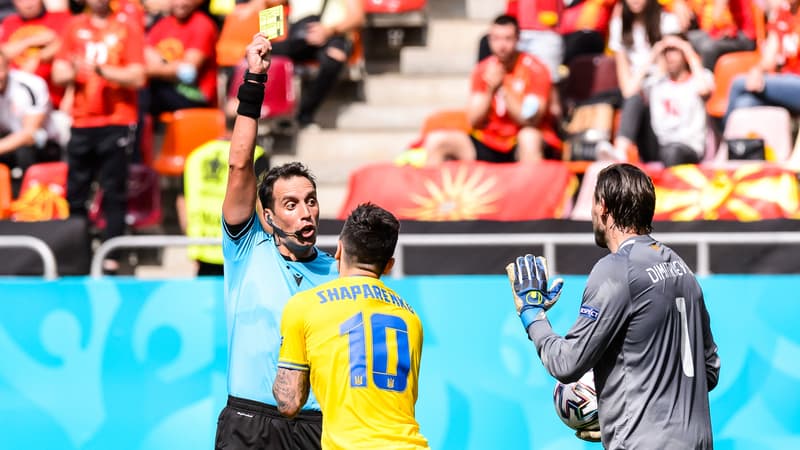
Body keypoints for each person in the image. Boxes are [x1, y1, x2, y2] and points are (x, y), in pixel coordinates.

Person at [505, 163, 720, 448]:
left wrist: (533, 315)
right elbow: (709, 370)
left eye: (593, 202)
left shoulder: (616, 270)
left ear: (603, 207)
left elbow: (567, 363)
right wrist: (613, 419)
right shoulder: (680, 266)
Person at [215, 32, 338, 450]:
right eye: (290, 203)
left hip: (316, 425)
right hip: (249, 422)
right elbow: (238, 166)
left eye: (311, 201)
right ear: (267, 217)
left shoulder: (338, 272)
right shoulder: (248, 248)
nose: (305, 211)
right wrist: (254, 80)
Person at [274, 202, 429, 450]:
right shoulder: (411, 318)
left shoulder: (304, 305)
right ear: (389, 265)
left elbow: (288, 402)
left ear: (339, 250)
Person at [52, 0, 146, 274]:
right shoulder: (73, 27)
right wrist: (74, 70)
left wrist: (101, 70)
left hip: (117, 120)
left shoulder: (126, 27)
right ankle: (76, 250)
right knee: (76, 191)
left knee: (114, 191)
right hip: (82, 120)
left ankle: (111, 255)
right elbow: (58, 72)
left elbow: (139, 76)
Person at [425, 14, 555, 165]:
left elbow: (530, 120)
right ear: (489, 40)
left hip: (518, 140)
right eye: (496, 39)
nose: (502, 45)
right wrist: (490, 90)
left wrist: (503, 89)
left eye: (507, 38)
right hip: (490, 139)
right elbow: (473, 120)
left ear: (518, 39)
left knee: (529, 137)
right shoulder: (483, 70)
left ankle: (531, 188)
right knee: (437, 140)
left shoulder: (535, 69)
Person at [243, 0, 365, 129]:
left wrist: (329, 30)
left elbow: (357, 17)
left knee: (333, 59)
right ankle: (268, 112)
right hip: (300, 38)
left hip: (334, 37)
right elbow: (271, 2)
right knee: (256, 53)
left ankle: (304, 115)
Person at [603, 0, 683, 161]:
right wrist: (651, 57)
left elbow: (666, 71)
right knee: (635, 97)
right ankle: (619, 152)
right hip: (638, 90)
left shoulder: (667, 21)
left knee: (642, 96)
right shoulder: (618, 26)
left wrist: (656, 57)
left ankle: (620, 150)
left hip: (663, 92)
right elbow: (627, 88)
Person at [724, 0, 800, 125]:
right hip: (785, 82)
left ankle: (726, 140)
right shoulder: (783, 12)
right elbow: (769, 57)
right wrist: (757, 70)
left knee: (738, 83)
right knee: (745, 103)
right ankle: (744, 143)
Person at [0, 51, 64, 196]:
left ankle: (28, 200)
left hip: (44, 145)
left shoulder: (30, 85)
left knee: (25, 148)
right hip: (8, 141)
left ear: (8, 67)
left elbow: (29, 133)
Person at [142, 0, 218, 118]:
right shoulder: (163, 24)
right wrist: (171, 67)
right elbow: (145, 54)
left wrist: (146, 71)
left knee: (143, 91)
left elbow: (188, 72)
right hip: (165, 89)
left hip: (194, 96)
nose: (181, 3)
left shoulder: (203, 24)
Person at [647, 34, 714, 165]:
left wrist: (687, 49)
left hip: (689, 147)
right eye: (666, 51)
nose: (669, 56)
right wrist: (654, 53)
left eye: (674, 50)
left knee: (673, 153)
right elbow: (629, 91)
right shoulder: (657, 83)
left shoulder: (701, 77)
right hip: (660, 144)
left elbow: (704, 90)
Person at [0, 0, 71, 109]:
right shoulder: (9, 22)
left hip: (53, 99)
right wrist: (32, 41)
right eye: (22, 1)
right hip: (15, 100)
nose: (28, 4)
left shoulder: (61, 18)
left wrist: (38, 57)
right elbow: (4, 52)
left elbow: (63, 44)